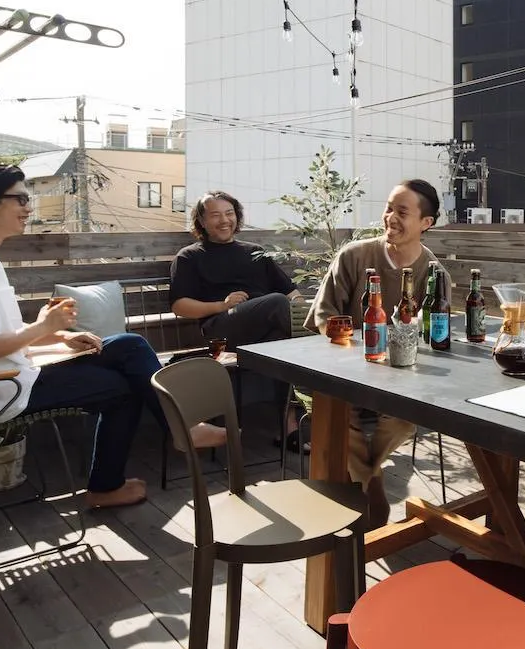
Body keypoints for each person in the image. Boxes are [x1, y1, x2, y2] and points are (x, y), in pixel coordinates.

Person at [0, 165, 225, 510]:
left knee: (128, 345)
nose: (28, 207)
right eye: (19, 198)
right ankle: (134, 464)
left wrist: (59, 337)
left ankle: (176, 429)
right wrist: (45, 327)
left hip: (6, 377)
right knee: (123, 388)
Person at [306, 179, 443, 529]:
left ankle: (367, 479)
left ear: (425, 223)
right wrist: (353, 349)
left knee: (401, 416)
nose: (390, 218)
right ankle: (374, 485)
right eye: (388, 208)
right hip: (346, 372)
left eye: (402, 212)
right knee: (336, 416)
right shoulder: (354, 256)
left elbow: (434, 332)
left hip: (401, 376)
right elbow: (324, 317)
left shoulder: (434, 272)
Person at [170, 190, 306, 445]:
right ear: (201, 220)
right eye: (215, 215)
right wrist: (221, 305)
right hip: (222, 331)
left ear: (237, 216)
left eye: (229, 213)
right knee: (277, 303)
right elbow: (180, 306)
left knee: (285, 344)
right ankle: (322, 364)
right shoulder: (190, 256)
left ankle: (289, 428)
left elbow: (293, 294)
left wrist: (304, 313)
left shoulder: (255, 252)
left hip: (266, 330)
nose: (224, 220)